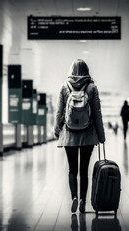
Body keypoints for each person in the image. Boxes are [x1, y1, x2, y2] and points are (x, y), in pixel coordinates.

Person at [54, 59, 105, 213]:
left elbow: (59, 111)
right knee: (84, 171)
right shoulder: (92, 87)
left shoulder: (64, 86)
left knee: (72, 170)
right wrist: (101, 136)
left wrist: (57, 129)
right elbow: (97, 113)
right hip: (88, 135)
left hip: (69, 135)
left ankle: (74, 197)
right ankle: (83, 200)